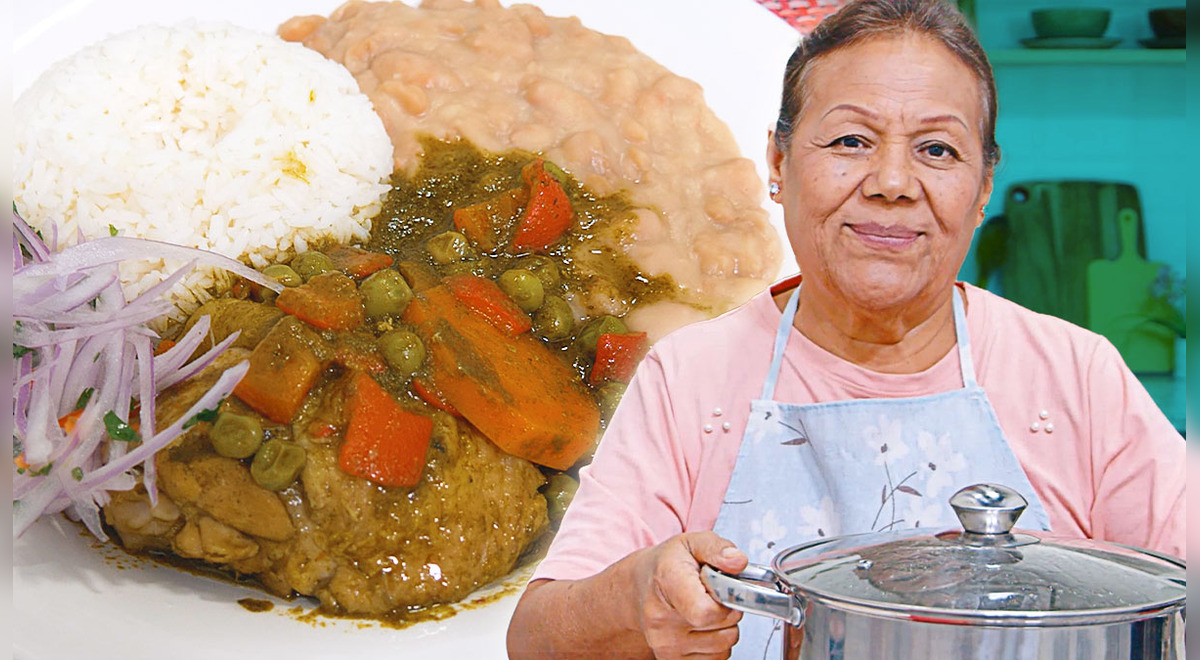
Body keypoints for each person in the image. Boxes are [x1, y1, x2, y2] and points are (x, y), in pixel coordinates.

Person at [506, 0, 1187, 657]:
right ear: (778, 164)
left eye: (938, 150)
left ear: (982, 188)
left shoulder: (1075, 375)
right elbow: (535, 638)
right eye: (850, 140)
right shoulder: (689, 377)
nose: (892, 181)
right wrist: (635, 599)